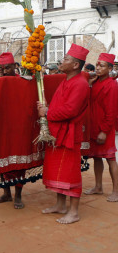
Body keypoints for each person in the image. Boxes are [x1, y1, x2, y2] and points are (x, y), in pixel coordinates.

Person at [37, 44, 90, 224]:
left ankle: (73, 212)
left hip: (69, 133)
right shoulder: (67, 80)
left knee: (70, 172)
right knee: (58, 170)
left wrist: (47, 111)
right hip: (58, 132)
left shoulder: (80, 84)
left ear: (76, 65)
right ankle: (60, 205)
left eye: (66, 59)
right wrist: (47, 107)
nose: (62, 61)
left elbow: (70, 110)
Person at [0, 52, 25, 209]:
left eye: (7, 68)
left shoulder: (22, 81)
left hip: (18, 128)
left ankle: (18, 196)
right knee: (2, 162)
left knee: (18, 164)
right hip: (2, 128)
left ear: (14, 67)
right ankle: (6, 193)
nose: (5, 71)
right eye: (2, 68)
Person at [84, 53, 118, 202]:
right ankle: (98, 187)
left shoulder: (112, 85)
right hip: (94, 126)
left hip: (105, 128)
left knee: (110, 159)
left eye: (102, 65)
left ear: (110, 68)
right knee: (97, 158)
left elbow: (111, 111)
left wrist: (104, 131)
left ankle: (116, 191)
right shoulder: (95, 82)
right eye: (97, 65)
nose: (98, 68)